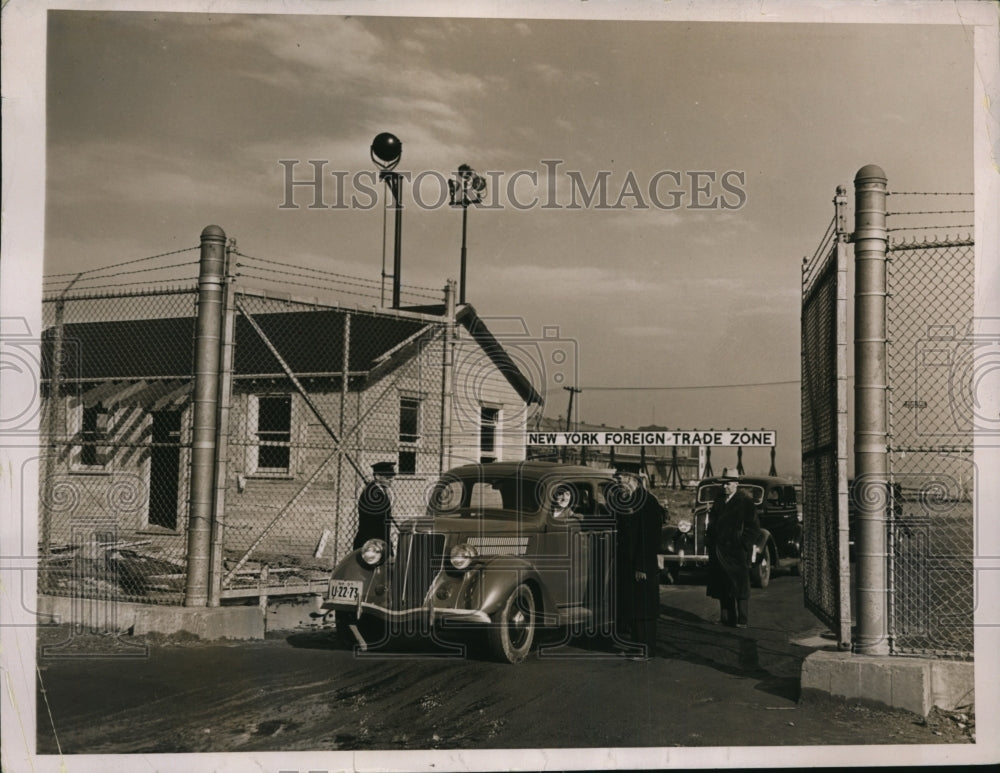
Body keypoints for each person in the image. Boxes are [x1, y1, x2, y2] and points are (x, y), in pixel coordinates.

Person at [611, 471, 666, 659]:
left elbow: (650, 537)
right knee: (633, 607)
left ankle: (647, 649)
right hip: (628, 563)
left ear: (632, 480)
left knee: (644, 609)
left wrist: (642, 566)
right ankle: (635, 645)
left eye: (621, 480)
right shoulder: (627, 501)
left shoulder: (647, 502)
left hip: (642, 564)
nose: (618, 484)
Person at [705, 468, 761, 628]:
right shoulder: (719, 501)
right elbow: (712, 524)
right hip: (719, 550)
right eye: (723, 484)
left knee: (740, 585)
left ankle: (742, 619)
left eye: (728, 484)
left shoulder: (745, 502)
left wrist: (742, 543)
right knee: (723, 584)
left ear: (736, 484)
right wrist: (710, 541)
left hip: (737, 552)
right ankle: (726, 618)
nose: (725, 487)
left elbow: (754, 527)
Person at [352, 461, 396, 551]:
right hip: (370, 543)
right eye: (387, 477)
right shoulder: (372, 494)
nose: (391, 479)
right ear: (377, 476)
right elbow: (376, 524)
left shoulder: (379, 491)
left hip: (377, 542)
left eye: (392, 477)